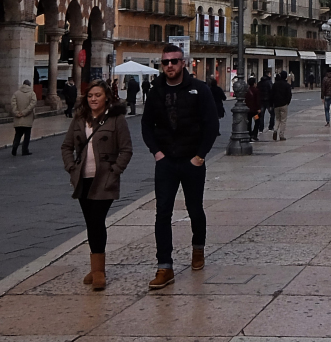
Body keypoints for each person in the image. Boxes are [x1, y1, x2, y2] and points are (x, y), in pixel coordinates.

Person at [141, 43, 220, 290]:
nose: (169, 66)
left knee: (194, 208)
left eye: (174, 61)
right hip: (166, 161)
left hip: (191, 160)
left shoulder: (199, 89)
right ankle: (164, 266)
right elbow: (146, 125)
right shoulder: (156, 91)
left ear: (183, 63)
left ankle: (198, 248)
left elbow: (211, 125)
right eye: (165, 62)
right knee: (162, 212)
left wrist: (200, 156)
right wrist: (157, 153)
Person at [60, 79, 132, 291]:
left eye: (98, 95)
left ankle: (99, 271)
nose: (93, 99)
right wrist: (71, 167)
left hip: (104, 179)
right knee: (90, 223)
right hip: (83, 178)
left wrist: (115, 171)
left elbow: (126, 149)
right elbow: (66, 146)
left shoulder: (116, 119)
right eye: (90, 95)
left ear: (106, 97)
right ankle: (95, 266)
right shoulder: (80, 118)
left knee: (97, 220)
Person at [11, 80, 36, 156]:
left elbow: (13, 104)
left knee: (18, 134)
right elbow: (32, 104)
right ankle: (25, 150)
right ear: (29, 85)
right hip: (27, 118)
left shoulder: (16, 93)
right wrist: (24, 112)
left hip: (18, 118)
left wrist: (17, 112)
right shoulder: (32, 93)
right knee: (27, 136)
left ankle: (14, 148)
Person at [271, 71, 293, 141]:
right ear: (286, 77)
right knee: (283, 120)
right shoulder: (287, 85)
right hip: (284, 104)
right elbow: (289, 95)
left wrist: (272, 103)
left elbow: (272, 94)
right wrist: (287, 102)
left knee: (277, 119)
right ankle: (281, 135)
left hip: (276, 104)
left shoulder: (275, 84)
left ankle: (275, 130)